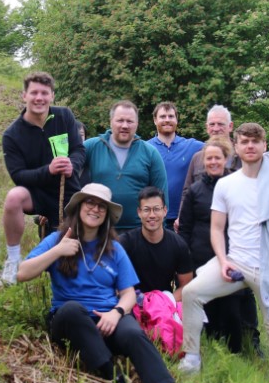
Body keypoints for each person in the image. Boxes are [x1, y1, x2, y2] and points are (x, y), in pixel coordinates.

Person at [16, 183, 190, 383]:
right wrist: (57, 251)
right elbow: (22, 273)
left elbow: (129, 293)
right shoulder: (57, 239)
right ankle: (114, 380)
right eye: (90, 203)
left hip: (108, 318)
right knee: (72, 310)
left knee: (131, 332)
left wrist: (117, 312)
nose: (95, 209)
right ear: (78, 207)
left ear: (107, 215)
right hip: (70, 321)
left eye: (101, 206)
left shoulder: (114, 248)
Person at [178, 123, 269, 383]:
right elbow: (216, 229)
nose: (250, 146)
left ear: (264, 145)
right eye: (244, 141)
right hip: (234, 263)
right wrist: (223, 261)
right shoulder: (226, 184)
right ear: (235, 147)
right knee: (191, 293)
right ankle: (192, 357)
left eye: (256, 141)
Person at [0, 72, 85, 285]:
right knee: (13, 197)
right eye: (34, 93)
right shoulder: (12, 134)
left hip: (69, 190)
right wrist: (48, 170)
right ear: (24, 96)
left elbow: (78, 150)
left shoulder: (64, 116)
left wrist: (71, 164)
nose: (39, 98)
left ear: (52, 96)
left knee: (74, 241)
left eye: (44, 93)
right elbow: (18, 175)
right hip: (36, 193)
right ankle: (13, 259)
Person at [178, 136, 257, 353]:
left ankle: (236, 351)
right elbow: (185, 227)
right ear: (204, 161)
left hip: (233, 255)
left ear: (226, 159)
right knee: (207, 307)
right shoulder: (195, 190)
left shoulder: (238, 185)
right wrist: (185, 258)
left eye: (217, 158)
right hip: (201, 254)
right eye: (209, 158)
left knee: (232, 307)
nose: (213, 162)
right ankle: (209, 350)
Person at [83, 101, 168, 231]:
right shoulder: (92, 147)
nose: (124, 125)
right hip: (99, 230)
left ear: (137, 124)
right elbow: (67, 171)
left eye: (130, 121)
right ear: (111, 121)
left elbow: (162, 195)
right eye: (120, 120)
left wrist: (160, 231)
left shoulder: (150, 153)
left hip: (139, 232)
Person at [119, 187, 194, 300]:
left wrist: (164, 303)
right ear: (139, 212)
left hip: (165, 304)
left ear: (165, 211)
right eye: (146, 210)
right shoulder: (126, 243)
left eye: (156, 209)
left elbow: (186, 286)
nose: (152, 215)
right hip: (132, 302)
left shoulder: (178, 245)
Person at [146, 102, 203, 229]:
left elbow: (219, 149)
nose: (167, 120)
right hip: (154, 218)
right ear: (155, 120)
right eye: (162, 116)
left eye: (171, 116)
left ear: (177, 120)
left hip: (183, 218)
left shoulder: (192, 146)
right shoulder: (145, 148)